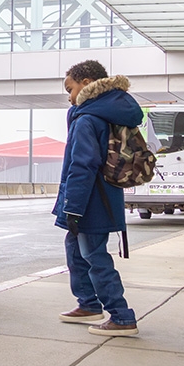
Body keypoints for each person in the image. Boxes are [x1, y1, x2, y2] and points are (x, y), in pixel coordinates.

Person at [54, 60, 141, 336]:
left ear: (87, 83)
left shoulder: (88, 119)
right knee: (75, 249)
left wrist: (73, 208)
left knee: (94, 256)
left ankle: (121, 315)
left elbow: (82, 165)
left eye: (70, 89)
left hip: (91, 201)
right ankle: (89, 303)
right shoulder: (108, 113)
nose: (69, 96)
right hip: (104, 196)